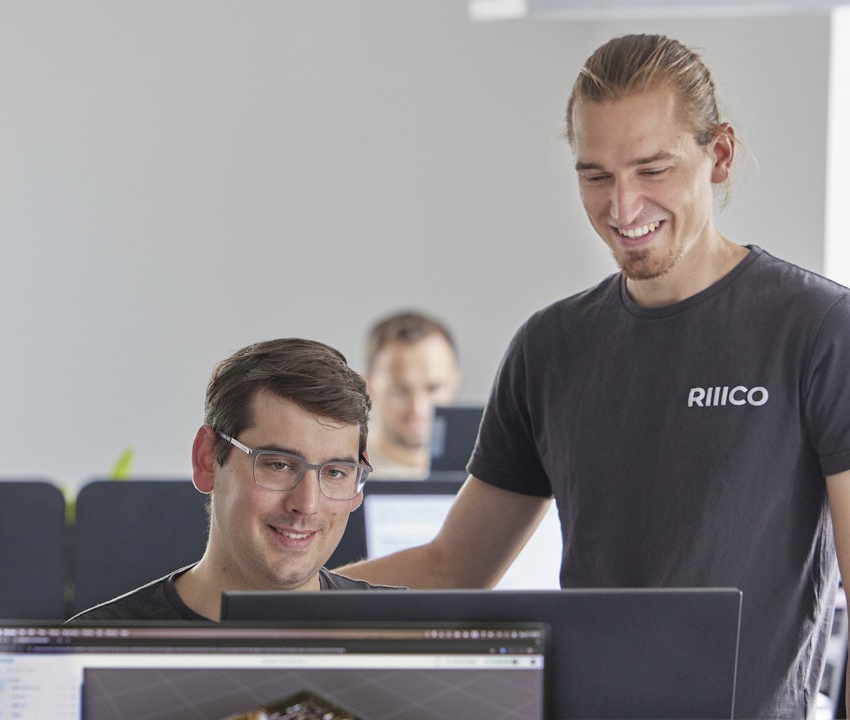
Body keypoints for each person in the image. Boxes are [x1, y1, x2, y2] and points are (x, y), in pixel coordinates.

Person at [337, 34, 850, 718]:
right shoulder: (551, 347)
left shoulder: (817, 329)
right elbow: (451, 568)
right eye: (596, 175)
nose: (624, 207)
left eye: (652, 169)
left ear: (718, 155)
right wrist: (253, 605)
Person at [70, 338, 389, 622]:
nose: (307, 504)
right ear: (207, 459)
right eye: (278, 465)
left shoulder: (403, 637)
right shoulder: (94, 650)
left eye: (335, 473)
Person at [363, 310, 462, 478]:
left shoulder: (489, 474)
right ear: (369, 387)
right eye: (399, 390)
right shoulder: (344, 470)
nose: (418, 408)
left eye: (433, 388)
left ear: (454, 381)